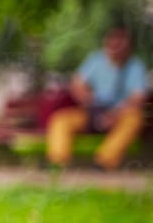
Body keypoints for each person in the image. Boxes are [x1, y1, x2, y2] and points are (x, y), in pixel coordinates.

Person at [46, 24, 148, 171]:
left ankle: (104, 161)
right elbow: (77, 83)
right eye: (112, 43)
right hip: (93, 111)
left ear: (128, 47)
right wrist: (89, 101)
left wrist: (113, 114)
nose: (115, 48)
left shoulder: (136, 67)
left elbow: (138, 98)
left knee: (135, 119)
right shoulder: (96, 60)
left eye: (120, 44)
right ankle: (57, 162)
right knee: (61, 119)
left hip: (120, 114)